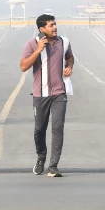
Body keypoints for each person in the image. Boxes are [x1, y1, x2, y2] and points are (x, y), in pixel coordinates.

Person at [19, 13, 74, 177]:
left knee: (58, 128)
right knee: (39, 129)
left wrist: (69, 67)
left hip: (59, 93)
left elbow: (70, 57)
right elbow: (23, 66)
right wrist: (38, 50)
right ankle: (41, 157)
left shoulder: (64, 42)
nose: (55, 27)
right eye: (51, 25)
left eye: (55, 24)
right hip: (40, 94)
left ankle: (53, 166)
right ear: (41, 29)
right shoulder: (32, 43)